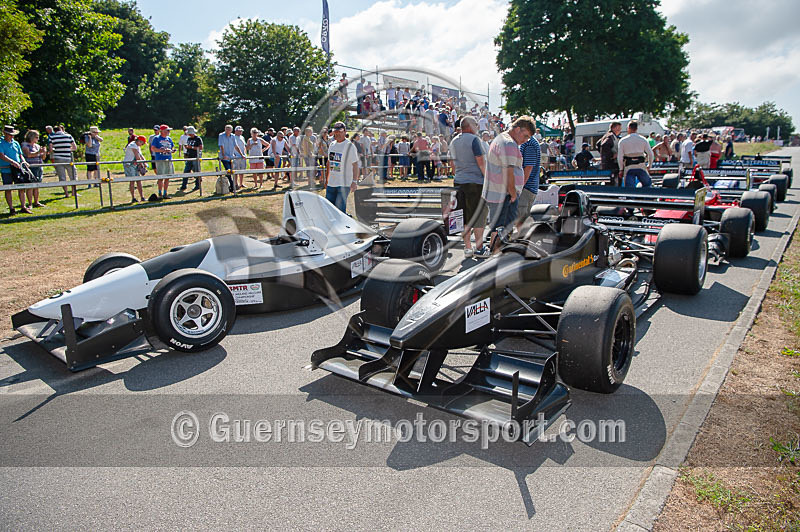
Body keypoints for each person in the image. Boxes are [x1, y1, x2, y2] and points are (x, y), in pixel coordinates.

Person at [482, 116, 535, 254]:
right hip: (503, 194)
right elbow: (508, 172)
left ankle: (496, 254)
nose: (525, 140)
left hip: (499, 193)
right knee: (502, 228)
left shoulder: (501, 139)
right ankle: (497, 255)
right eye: (525, 136)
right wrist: (512, 193)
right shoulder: (509, 144)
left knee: (498, 227)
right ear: (517, 129)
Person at [452, 117, 488, 256]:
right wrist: (488, 179)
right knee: (479, 215)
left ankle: (467, 248)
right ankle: (479, 248)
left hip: (459, 181)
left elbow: (452, 163)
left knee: (463, 216)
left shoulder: (454, 140)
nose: (477, 126)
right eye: (475, 124)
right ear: (469, 126)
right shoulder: (475, 140)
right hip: (475, 182)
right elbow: (481, 163)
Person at [325, 122, 359, 212]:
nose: (338, 134)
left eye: (340, 131)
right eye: (336, 131)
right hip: (331, 183)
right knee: (329, 209)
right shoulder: (332, 145)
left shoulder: (349, 146)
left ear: (344, 132)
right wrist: (326, 179)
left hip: (344, 184)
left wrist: (354, 181)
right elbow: (329, 162)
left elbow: (355, 164)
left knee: (339, 209)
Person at [0, 125, 31, 214]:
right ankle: (11, 208)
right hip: (6, 169)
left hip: (18, 168)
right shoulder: (1, 143)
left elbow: (20, 154)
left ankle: (23, 206)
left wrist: (24, 162)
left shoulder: (16, 143)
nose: (12, 136)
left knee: (21, 188)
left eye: (13, 134)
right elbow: (2, 155)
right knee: (8, 188)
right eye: (10, 134)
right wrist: (12, 162)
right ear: (5, 133)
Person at [617, 120, 654, 187]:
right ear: (636, 129)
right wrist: (649, 165)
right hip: (641, 166)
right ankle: (648, 197)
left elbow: (620, 157)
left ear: (628, 128)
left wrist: (621, 169)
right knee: (647, 185)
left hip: (629, 167)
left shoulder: (622, 141)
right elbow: (651, 154)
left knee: (630, 189)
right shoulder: (643, 139)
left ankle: (631, 197)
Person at [517, 133, 541, 228]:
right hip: (528, 187)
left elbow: (528, 168)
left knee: (521, 222)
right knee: (521, 221)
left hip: (526, 188)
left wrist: (519, 187)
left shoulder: (529, 143)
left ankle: (522, 241)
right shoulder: (528, 143)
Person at [48, 125, 78, 197]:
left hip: (58, 158)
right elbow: (74, 147)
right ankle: (74, 192)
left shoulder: (52, 137)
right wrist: (67, 149)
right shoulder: (69, 136)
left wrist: (56, 149)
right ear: (61, 130)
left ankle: (66, 193)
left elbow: (51, 149)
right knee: (73, 175)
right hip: (68, 158)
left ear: (54, 131)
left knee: (62, 176)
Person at [21, 130, 45, 208]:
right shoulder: (25, 145)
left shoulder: (37, 146)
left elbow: (43, 157)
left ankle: (36, 201)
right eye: (36, 137)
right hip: (30, 168)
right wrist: (38, 152)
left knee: (37, 185)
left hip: (38, 167)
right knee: (30, 186)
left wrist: (44, 152)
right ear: (31, 137)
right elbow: (28, 155)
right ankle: (30, 203)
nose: (38, 139)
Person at [151, 124, 175, 198]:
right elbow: (153, 148)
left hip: (168, 159)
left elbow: (172, 146)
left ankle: (165, 193)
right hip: (160, 159)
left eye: (169, 130)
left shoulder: (169, 139)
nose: (168, 132)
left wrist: (172, 150)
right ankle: (160, 193)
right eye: (167, 130)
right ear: (162, 131)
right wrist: (161, 150)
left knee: (167, 177)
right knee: (160, 177)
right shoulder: (156, 138)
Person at [123, 135, 147, 202]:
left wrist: (145, 164)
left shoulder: (137, 146)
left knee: (139, 180)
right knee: (132, 181)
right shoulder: (132, 145)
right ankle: (133, 198)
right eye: (142, 143)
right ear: (139, 141)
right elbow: (137, 157)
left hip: (135, 164)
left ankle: (142, 197)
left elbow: (141, 156)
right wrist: (142, 165)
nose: (142, 145)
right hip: (129, 165)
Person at [179, 126, 203, 192]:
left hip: (196, 157)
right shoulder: (189, 139)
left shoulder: (198, 139)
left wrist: (191, 147)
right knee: (186, 171)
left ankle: (197, 185)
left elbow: (200, 148)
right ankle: (183, 185)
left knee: (196, 171)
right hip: (189, 156)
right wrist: (187, 148)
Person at [598, 121, 622, 185]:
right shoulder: (610, 136)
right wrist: (612, 155)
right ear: (614, 128)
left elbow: (597, 144)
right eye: (619, 128)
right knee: (612, 182)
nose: (620, 130)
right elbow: (604, 145)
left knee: (610, 182)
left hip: (608, 164)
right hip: (611, 164)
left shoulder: (607, 135)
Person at [218, 125, 238, 193]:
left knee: (231, 171)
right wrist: (224, 155)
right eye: (226, 129)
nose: (228, 131)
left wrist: (242, 154)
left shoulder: (233, 136)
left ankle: (230, 185)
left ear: (231, 130)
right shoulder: (221, 135)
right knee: (228, 170)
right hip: (225, 157)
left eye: (229, 129)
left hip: (231, 156)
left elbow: (235, 145)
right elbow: (221, 145)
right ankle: (232, 186)